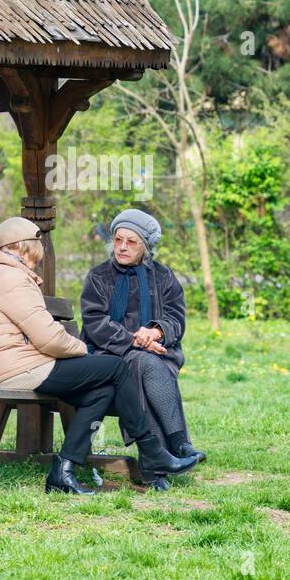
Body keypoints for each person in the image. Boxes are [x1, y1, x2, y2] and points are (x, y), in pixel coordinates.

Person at [0, 216, 199, 494]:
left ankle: (63, 471)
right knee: (116, 369)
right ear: (22, 248)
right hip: (18, 369)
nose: (37, 258)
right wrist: (83, 349)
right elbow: (49, 337)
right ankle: (152, 450)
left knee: (102, 391)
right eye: (35, 251)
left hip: (19, 364)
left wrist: (155, 333)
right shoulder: (10, 278)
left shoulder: (3, 274)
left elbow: (41, 330)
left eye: (131, 241)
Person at [81, 209, 205, 491]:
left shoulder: (163, 277)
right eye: (118, 239)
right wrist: (134, 340)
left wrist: (156, 331)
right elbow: (95, 323)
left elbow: (176, 318)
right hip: (107, 355)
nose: (122, 247)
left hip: (157, 352)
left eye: (131, 242)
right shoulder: (99, 276)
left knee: (144, 365)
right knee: (142, 363)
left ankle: (156, 466)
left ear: (145, 246)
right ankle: (177, 445)